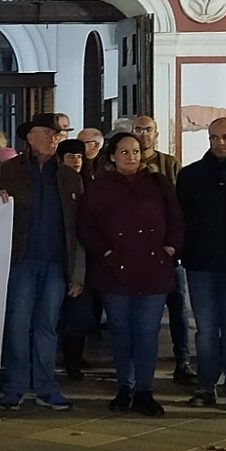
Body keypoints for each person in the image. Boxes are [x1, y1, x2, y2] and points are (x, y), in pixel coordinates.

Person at [78, 132, 184, 417]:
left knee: (147, 333)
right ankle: (125, 386)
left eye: (136, 151)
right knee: (122, 332)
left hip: (153, 269)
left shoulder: (157, 183)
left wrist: (171, 249)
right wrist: (106, 253)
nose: (132, 156)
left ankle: (144, 390)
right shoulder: (100, 187)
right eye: (124, 152)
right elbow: (87, 225)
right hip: (116, 271)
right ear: (112, 155)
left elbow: (176, 218)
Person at [0, 113, 85, 412]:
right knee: (17, 324)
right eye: (48, 132)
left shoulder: (70, 176)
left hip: (56, 262)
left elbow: (78, 228)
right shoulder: (8, 170)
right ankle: (15, 386)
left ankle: (46, 386)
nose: (54, 138)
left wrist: (78, 273)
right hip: (20, 260)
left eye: (57, 134)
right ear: (30, 137)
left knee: (47, 326)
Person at [175, 118, 226, 411]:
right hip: (201, 263)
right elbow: (180, 216)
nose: (220, 143)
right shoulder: (192, 175)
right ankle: (206, 386)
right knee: (206, 330)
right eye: (214, 137)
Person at [133, 115, 195, 386]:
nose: (143, 134)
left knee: (177, 304)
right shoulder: (124, 162)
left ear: (156, 134)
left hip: (167, 248)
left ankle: (183, 360)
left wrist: (175, 243)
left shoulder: (169, 164)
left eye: (148, 130)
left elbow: (180, 206)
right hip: (135, 250)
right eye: (139, 129)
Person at [54, 138, 95, 381]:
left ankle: (74, 359)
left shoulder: (89, 183)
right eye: (70, 156)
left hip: (85, 259)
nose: (76, 161)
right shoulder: (57, 183)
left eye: (79, 156)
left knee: (78, 316)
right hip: (61, 258)